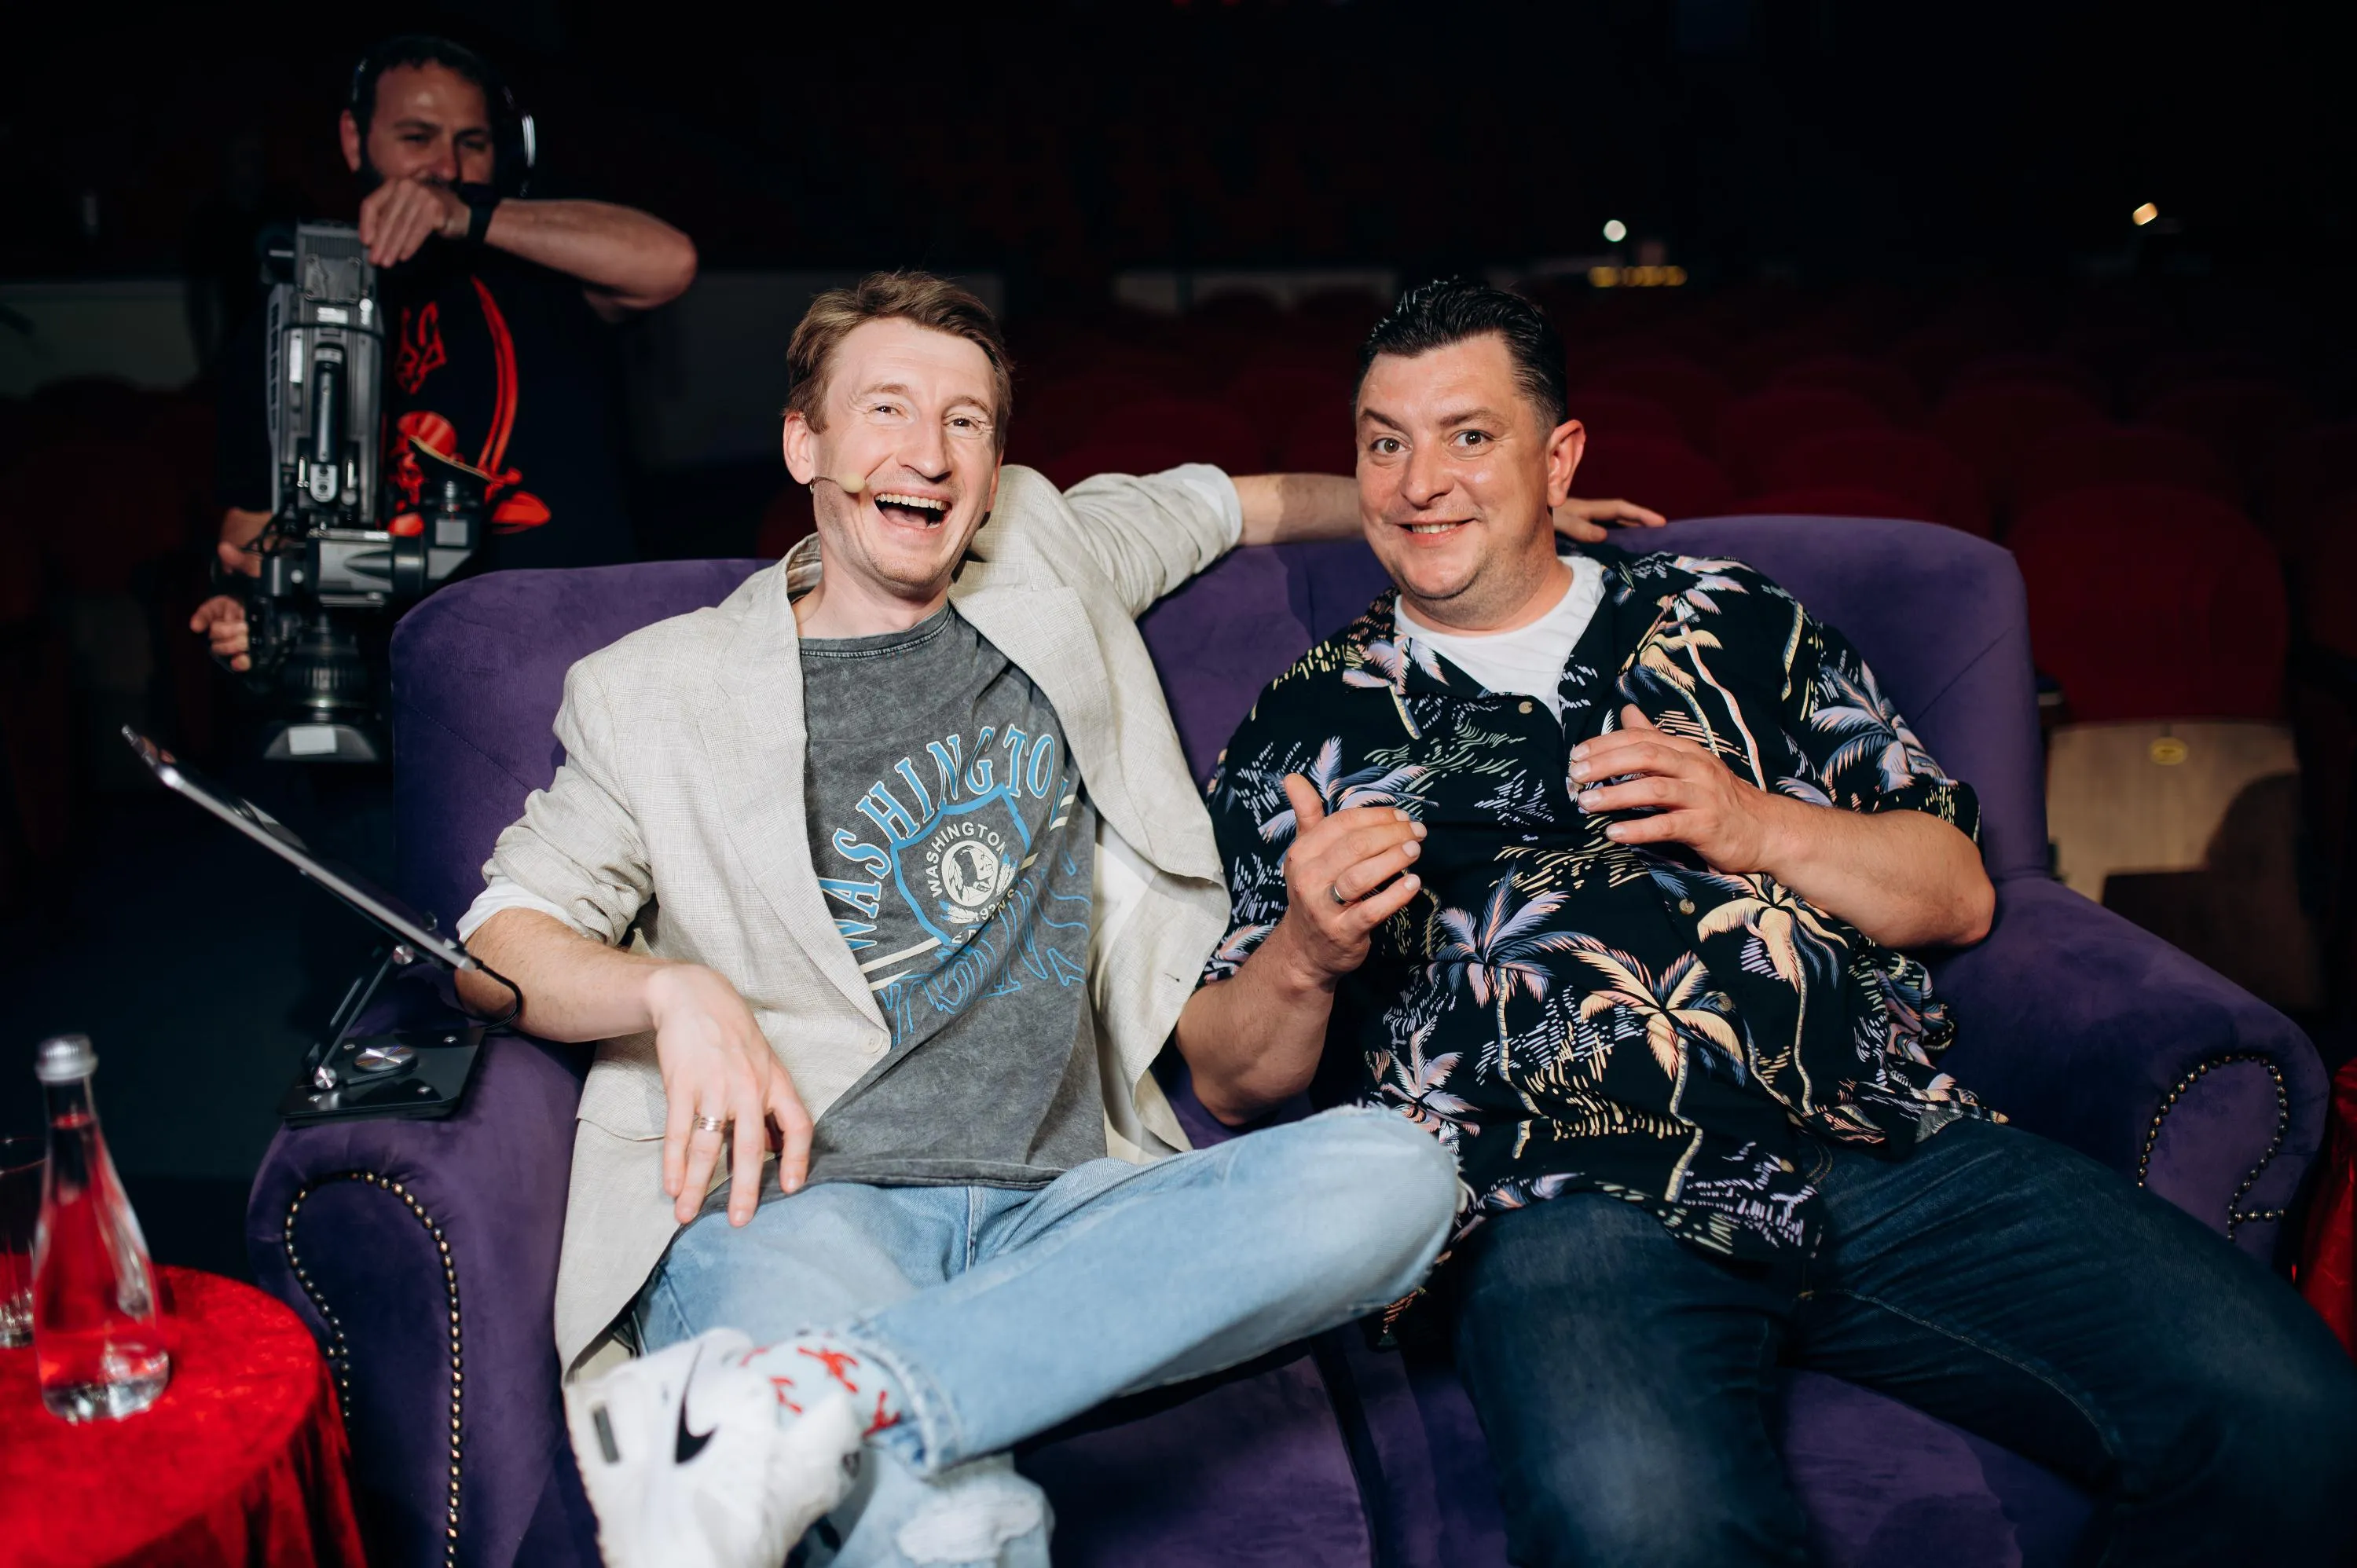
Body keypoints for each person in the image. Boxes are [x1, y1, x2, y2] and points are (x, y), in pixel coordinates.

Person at [448, 270, 1661, 1568]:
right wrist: (667, 992)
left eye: (966, 421)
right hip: (797, 1201)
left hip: (1071, 1201)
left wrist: (1506, 517)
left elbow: (1238, 503)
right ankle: (880, 1408)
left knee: (1400, 1175)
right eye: (887, 409)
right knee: (947, 1536)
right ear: (805, 443)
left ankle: (811, 1399)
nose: (928, 453)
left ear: (993, 466)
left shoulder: (1044, 551)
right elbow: (497, 938)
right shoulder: (654, 689)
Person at [1182, 279, 2357, 1568]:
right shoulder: (1307, 724)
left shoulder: (1728, 617)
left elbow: (1956, 889)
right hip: (1557, 1193)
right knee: (1647, 1527)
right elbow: (1233, 1077)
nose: (1419, 484)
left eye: (1468, 435)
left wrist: (1752, 824)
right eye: (1383, 442)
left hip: (1867, 1135)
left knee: (2294, 1418)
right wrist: (1307, 952)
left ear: (1558, 458)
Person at [191, 33, 698, 670]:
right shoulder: (294, 308)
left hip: (572, 661)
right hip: (386, 674)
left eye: (472, 144)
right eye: (416, 137)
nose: (447, 167)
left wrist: (468, 216)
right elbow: (250, 526)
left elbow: (670, 262)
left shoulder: (540, 264)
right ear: (355, 140)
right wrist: (242, 604)